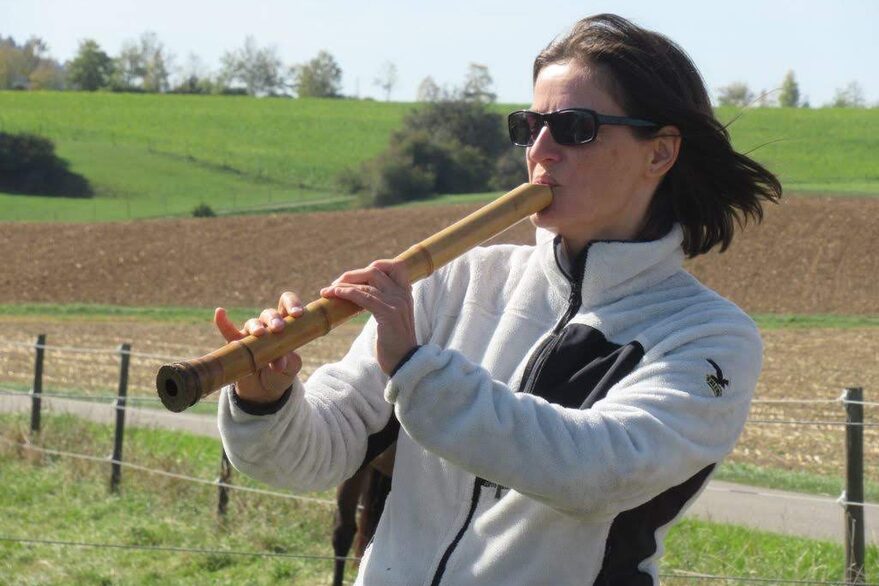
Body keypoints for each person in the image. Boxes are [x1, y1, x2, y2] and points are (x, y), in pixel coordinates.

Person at [215, 13, 781, 585]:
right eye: (530, 125)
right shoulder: (457, 281)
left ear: (658, 154)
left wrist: (417, 369)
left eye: (574, 127)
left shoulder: (708, 338)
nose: (541, 150)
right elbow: (312, 455)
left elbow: (595, 472)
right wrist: (267, 400)